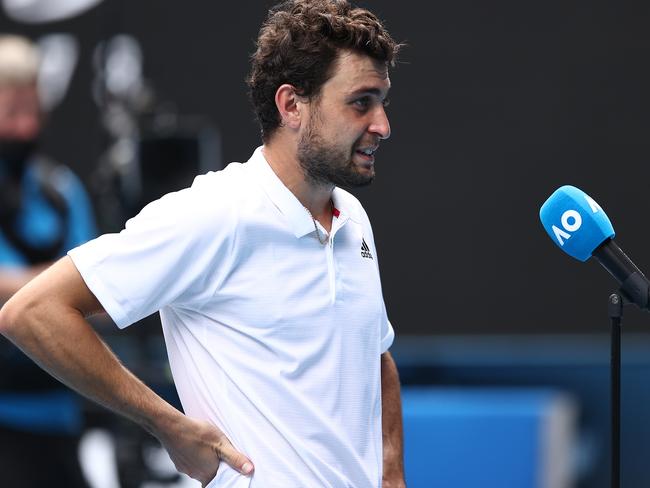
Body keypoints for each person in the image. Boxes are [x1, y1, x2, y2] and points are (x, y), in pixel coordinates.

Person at [0, 1, 405, 487]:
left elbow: (376, 354)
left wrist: (391, 471)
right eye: (361, 102)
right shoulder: (214, 213)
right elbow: (32, 312)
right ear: (291, 105)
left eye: (382, 101)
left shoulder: (354, 220)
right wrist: (166, 424)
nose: (382, 124)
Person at [0, 35, 96, 487]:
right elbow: (75, 286)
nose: (24, 127)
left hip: (60, 414)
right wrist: (59, 289)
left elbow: (97, 292)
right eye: (11, 112)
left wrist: (25, 287)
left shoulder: (62, 190)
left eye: (31, 111)